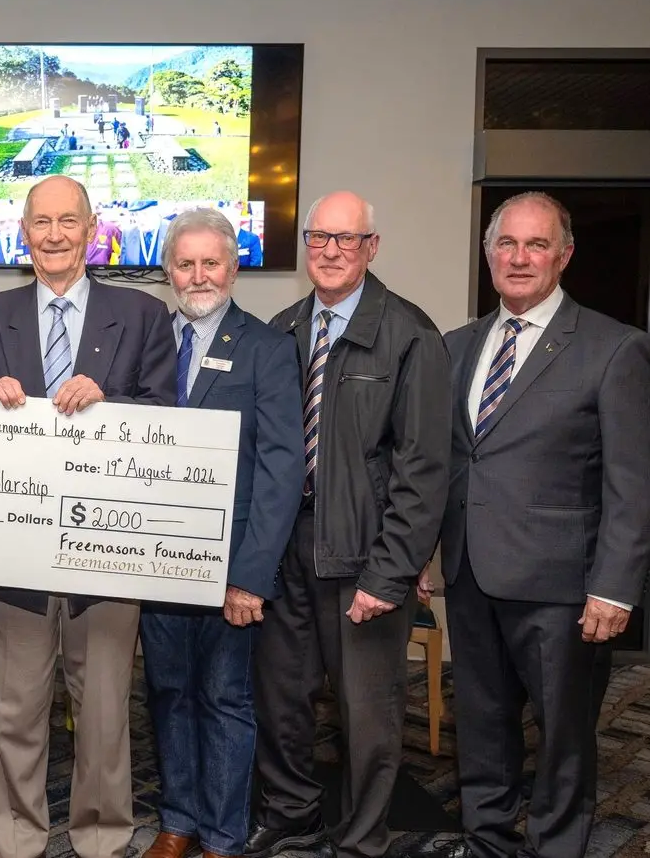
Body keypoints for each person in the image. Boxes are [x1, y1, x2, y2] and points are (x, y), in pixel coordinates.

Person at [417, 192, 650, 858]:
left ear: (564, 255)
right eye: (507, 244)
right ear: (489, 255)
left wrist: (615, 586)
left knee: (563, 736)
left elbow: (632, 483)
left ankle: (557, 844)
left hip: (564, 588)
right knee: (483, 724)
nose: (519, 257)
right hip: (468, 574)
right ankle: (486, 836)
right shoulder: (455, 347)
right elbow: (445, 464)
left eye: (536, 244)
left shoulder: (614, 349)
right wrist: (421, 556)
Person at [0, 174, 175, 858]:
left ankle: (103, 835)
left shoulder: (143, 315)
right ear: (23, 233)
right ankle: (18, 835)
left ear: (93, 228)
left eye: (67, 221)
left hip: (108, 551)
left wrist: (109, 402)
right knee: (15, 707)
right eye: (41, 222)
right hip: (13, 552)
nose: (54, 234)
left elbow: (168, 417)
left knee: (106, 710)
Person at [248, 191, 451, 858]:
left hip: (366, 555)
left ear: (372, 247)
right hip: (287, 551)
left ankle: (362, 837)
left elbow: (424, 468)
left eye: (346, 238)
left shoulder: (410, 333)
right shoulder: (283, 327)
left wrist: (391, 571)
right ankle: (292, 812)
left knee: (367, 715)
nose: (330, 250)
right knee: (281, 698)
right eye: (319, 237)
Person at [139, 209, 304, 858]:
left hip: (231, 566)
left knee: (224, 699)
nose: (198, 275)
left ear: (233, 269)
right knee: (168, 692)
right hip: (153, 559)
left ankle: (223, 837)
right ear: (168, 270)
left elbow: (281, 467)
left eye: (212, 262)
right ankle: (178, 820)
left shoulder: (265, 347)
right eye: (186, 262)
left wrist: (250, 575)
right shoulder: (148, 341)